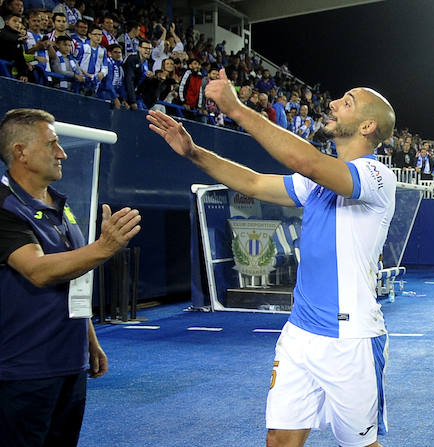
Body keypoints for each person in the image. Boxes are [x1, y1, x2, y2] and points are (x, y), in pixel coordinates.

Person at [147, 68, 396, 447]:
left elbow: (309, 162)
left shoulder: (376, 175)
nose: (331, 104)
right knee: (279, 439)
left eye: (346, 103)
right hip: (300, 331)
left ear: (367, 126)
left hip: (351, 337)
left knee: (360, 445)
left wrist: (237, 109)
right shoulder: (317, 181)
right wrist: (194, 152)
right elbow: (252, 182)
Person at [0, 108, 141, 446]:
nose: (61, 153)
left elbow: (74, 276)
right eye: (52, 145)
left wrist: (88, 339)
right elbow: (37, 270)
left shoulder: (60, 206)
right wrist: (105, 247)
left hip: (68, 364)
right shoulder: (4, 206)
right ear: (20, 152)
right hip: (23, 370)